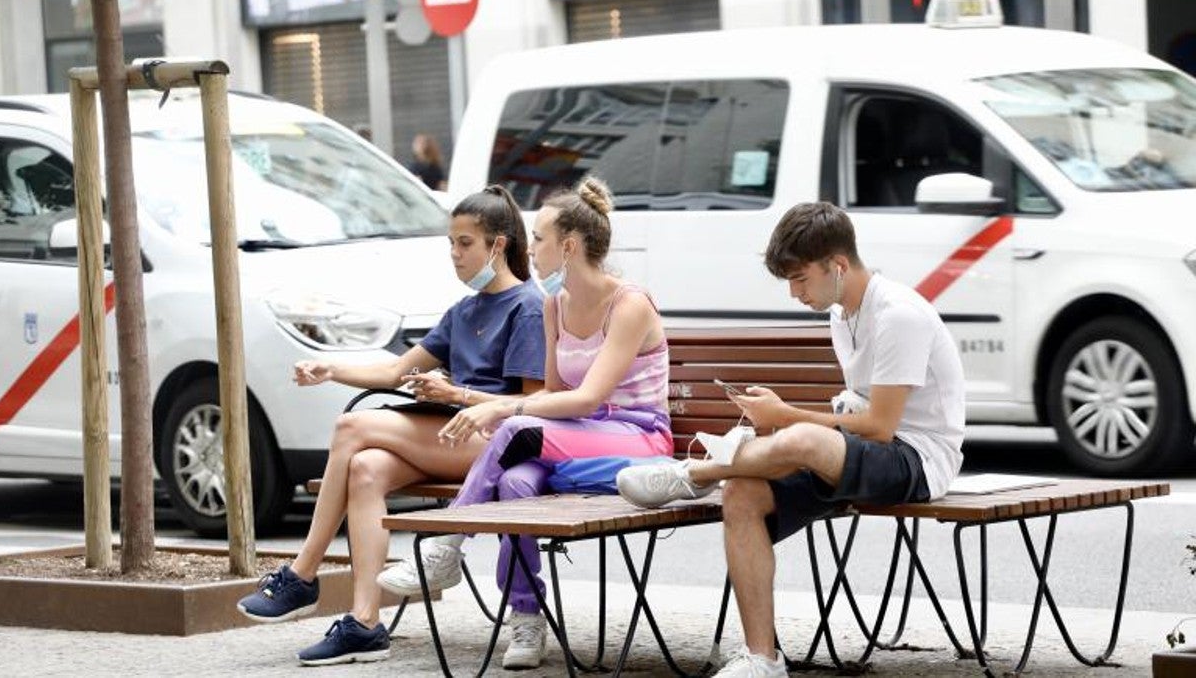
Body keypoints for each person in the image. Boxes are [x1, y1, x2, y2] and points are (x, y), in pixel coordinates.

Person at [616, 202, 966, 677]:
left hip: (918, 460)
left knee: (803, 438)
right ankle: (763, 658)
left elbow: (883, 427)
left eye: (801, 279)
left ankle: (697, 473)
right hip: (863, 454)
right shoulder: (843, 315)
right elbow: (860, 415)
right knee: (742, 495)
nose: (795, 292)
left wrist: (785, 415)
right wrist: (780, 423)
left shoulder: (899, 314)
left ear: (837, 266)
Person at [235, 185, 545, 666]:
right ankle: (364, 623)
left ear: (498, 245)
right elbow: (392, 373)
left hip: (497, 442)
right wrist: (330, 369)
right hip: (449, 434)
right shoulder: (463, 311)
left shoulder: (528, 306)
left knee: (351, 429)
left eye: (465, 243)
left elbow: (531, 403)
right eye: (451, 243)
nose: (455, 255)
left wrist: (455, 394)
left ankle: (302, 574)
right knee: (365, 469)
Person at [376, 176, 673, 670]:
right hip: (578, 443)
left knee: (514, 430)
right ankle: (527, 617)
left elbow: (588, 397)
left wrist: (498, 408)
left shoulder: (630, 304)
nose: (530, 249)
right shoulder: (555, 304)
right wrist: (493, 405)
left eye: (538, 239)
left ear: (570, 246)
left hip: (637, 437)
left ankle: (449, 543)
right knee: (514, 482)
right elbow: (556, 395)